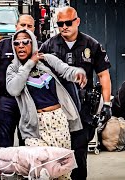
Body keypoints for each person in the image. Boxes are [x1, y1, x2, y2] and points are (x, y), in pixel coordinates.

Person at [39, 6, 112, 180]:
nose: (64, 26)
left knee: (79, 153)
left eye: (68, 22)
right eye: (60, 23)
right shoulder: (49, 45)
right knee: (58, 154)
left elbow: (103, 75)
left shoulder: (91, 45)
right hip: (57, 108)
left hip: (82, 108)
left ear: (77, 21)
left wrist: (107, 104)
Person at [6, 29, 87, 179]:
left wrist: (78, 72)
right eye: (16, 43)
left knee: (61, 171)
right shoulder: (13, 68)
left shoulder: (47, 59)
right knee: (38, 169)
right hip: (34, 126)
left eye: (25, 42)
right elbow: (14, 89)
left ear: (33, 43)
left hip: (58, 121)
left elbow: (66, 70)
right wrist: (30, 63)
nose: (21, 46)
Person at [0, 14, 39, 148]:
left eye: (29, 26)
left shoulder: (39, 48)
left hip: (30, 100)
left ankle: (24, 168)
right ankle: (5, 169)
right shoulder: (2, 46)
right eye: (22, 25)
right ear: (16, 27)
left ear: (34, 28)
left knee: (28, 141)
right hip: (7, 99)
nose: (25, 28)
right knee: (4, 141)